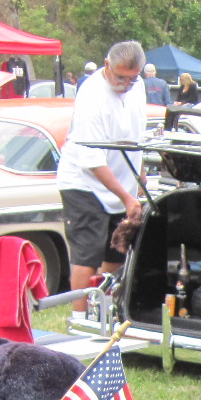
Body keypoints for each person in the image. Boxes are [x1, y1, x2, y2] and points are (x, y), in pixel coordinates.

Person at [56, 39, 148, 292]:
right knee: (87, 254)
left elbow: (137, 135)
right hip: (84, 183)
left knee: (118, 250)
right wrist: (127, 198)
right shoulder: (91, 95)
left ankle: (106, 307)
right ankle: (79, 312)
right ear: (107, 64)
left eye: (132, 78)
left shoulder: (138, 87)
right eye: (120, 77)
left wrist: (139, 175)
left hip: (121, 183)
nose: (126, 84)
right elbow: (92, 161)